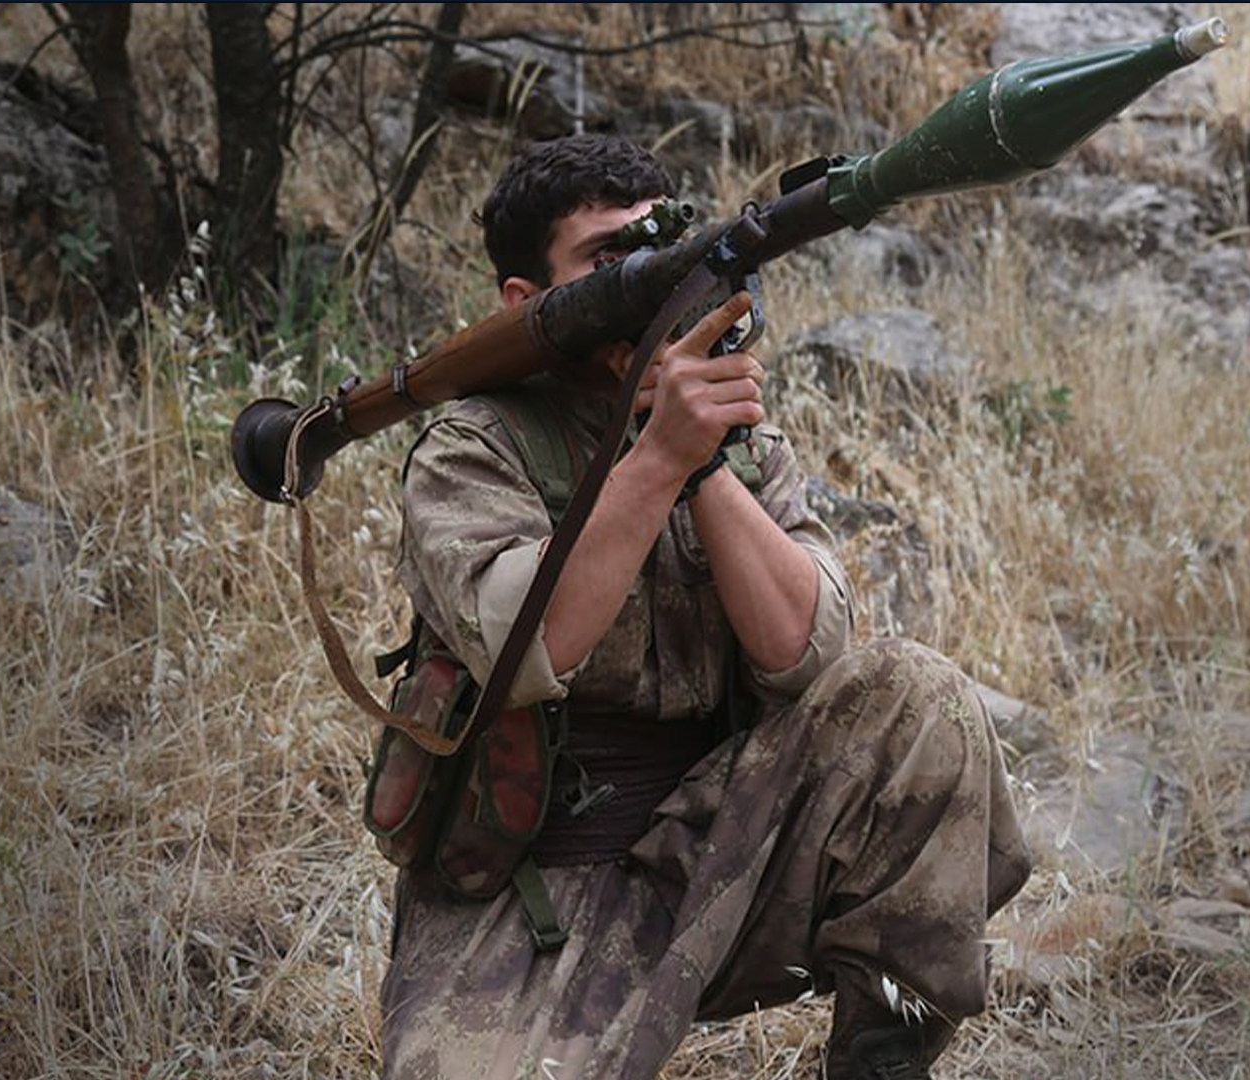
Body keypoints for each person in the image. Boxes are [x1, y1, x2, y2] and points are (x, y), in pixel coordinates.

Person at [382, 133, 1032, 1080]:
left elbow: (809, 654)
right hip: (529, 883)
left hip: (721, 850)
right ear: (528, 301)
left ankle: (880, 1062)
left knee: (918, 697)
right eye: (609, 260)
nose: (648, 283)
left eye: (661, 251)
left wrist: (703, 463)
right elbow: (529, 649)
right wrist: (656, 459)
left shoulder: (739, 443)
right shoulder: (472, 448)